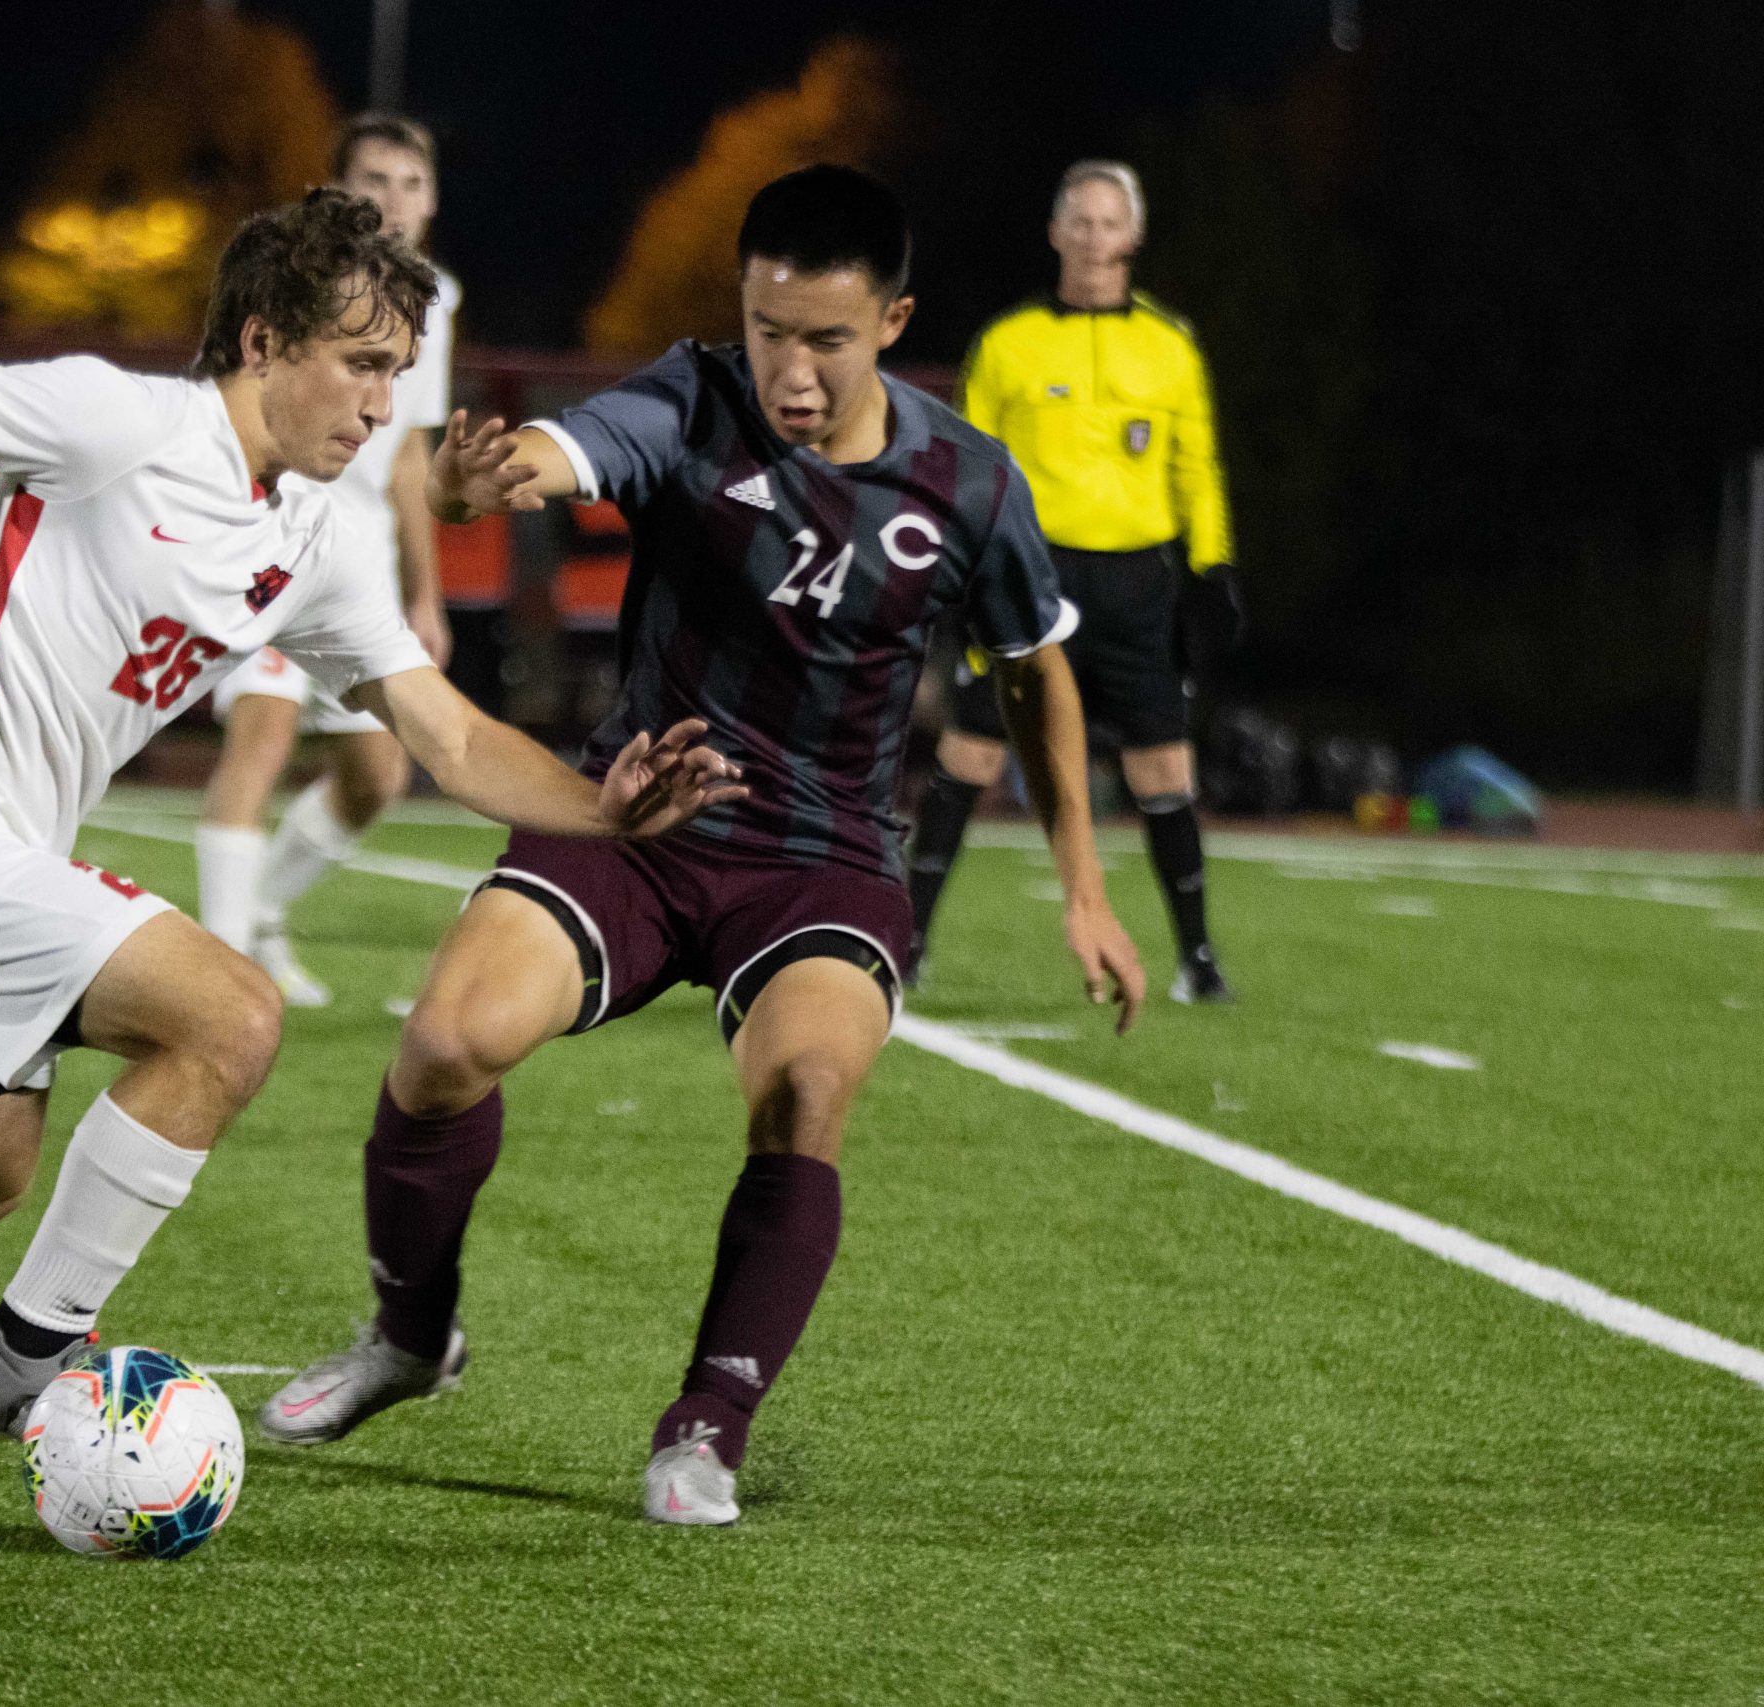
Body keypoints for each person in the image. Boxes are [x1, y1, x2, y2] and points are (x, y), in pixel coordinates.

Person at [0, 189, 740, 1485]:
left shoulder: (317, 540)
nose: (380, 406)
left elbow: (451, 736)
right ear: (259, 341)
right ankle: (30, 1355)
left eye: (397, 375)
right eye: (359, 365)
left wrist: (605, 809)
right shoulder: (123, 420)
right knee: (231, 1015)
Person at [261, 167, 1145, 1525]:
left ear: (894, 321)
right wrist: (490, 477)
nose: (791, 368)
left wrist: (1084, 887)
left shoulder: (967, 479)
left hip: (824, 854)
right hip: (638, 814)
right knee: (443, 1043)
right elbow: (572, 450)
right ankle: (407, 1334)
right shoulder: (693, 396)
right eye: (769, 328)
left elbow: (1036, 672)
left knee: (802, 1088)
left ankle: (706, 1422)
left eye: (827, 339)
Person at [907, 159, 1242, 1003]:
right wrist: (959, 567)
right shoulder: (1009, 342)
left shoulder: (1171, 346)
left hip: (1137, 586)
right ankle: (905, 947)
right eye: (1079, 223)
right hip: (1029, 576)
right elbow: (967, 467)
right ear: (1056, 232)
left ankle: (1198, 961)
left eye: (1109, 224)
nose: (1095, 239)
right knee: (968, 755)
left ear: (1133, 236)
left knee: (1164, 769)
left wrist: (1214, 566)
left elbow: (1195, 464)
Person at [196, 114, 460, 1006]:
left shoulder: (438, 299)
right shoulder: (297, 288)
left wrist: (427, 593)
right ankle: (221, 974)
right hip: (275, 536)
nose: (393, 201)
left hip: (359, 563)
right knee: (261, 735)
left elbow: (410, 454)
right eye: (374, 182)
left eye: (411, 183)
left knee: (375, 776)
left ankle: (259, 915)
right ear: (338, 193)